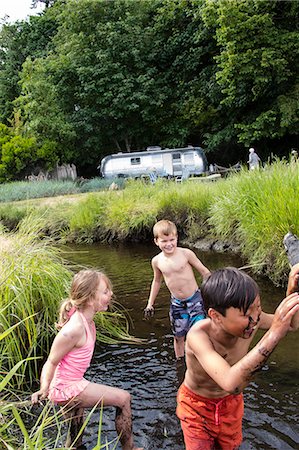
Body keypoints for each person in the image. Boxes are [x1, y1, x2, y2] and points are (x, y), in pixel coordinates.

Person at [177, 266, 299, 450]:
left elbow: (290, 325)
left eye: (258, 307)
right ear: (216, 316)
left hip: (230, 405)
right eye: (246, 313)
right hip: (197, 407)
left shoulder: (253, 322)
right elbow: (230, 383)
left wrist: (292, 292)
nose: (255, 318)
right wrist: (274, 333)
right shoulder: (199, 336)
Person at [32, 269, 142, 450]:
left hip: (70, 383)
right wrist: (44, 388)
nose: (111, 293)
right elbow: (51, 361)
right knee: (124, 399)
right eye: (105, 291)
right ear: (90, 299)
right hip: (66, 388)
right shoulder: (74, 329)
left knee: (75, 435)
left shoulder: (87, 319)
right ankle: (129, 448)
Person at [144, 220, 210, 359]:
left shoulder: (186, 254)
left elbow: (204, 272)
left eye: (172, 240)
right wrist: (150, 303)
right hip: (177, 304)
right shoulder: (157, 261)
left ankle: (202, 360)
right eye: (164, 241)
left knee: (199, 333)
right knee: (178, 336)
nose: (169, 244)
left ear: (177, 238)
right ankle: (180, 361)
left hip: (195, 300)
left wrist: (209, 294)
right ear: (156, 241)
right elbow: (156, 281)